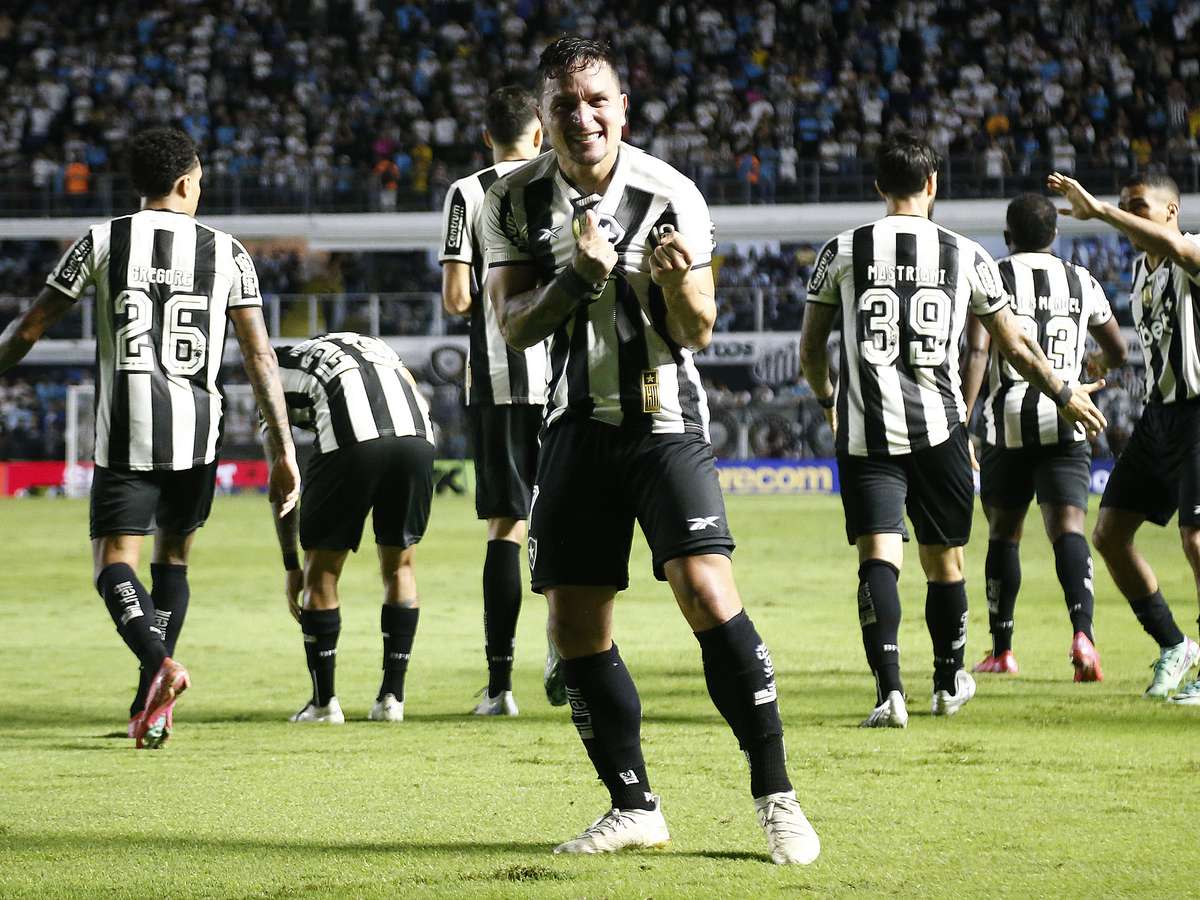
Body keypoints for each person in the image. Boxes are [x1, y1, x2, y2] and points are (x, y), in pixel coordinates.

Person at [484, 35, 819, 866]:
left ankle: (777, 796)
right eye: (566, 103)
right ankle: (633, 806)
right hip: (573, 423)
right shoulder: (513, 200)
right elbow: (512, 325)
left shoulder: (671, 193)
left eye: (597, 100)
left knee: (704, 588)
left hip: (662, 415)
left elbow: (698, 328)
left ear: (622, 109)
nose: (584, 116)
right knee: (573, 624)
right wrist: (578, 276)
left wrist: (673, 283)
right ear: (544, 116)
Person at [0, 127, 299, 748]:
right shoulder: (228, 252)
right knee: (174, 560)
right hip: (199, 433)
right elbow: (259, 356)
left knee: (114, 563)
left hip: (127, 430)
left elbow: (29, 328)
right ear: (186, 183)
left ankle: (160, 666)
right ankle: (150, 708)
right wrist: (283, 444)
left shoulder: (102, 240)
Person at [800, 135, 1106, 730]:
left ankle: (890, 694)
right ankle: (945, 684)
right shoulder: (968, 254)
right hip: (941, 432)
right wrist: (1063, 391)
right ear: (933, 184)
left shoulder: (842, 249)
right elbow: (1015, 345)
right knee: (945, 563)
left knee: (878, 557)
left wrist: (827, 399)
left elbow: (811, 349)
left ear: (879, 187)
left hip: (865, 433)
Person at [961, 193, 1127, 680]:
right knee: (1068, 527)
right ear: (1055, 234)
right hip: (1068, 417)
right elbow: (1117, 349)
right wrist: (1093, 365)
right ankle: (1083, 636)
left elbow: (977, 351)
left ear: (1007, 236)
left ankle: (1003, 651)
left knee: (1003, 532)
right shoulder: (1081, 279)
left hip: (1007, 421)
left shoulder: (991, 276)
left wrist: (963, 418)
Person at [1049, 171, 1200, 702]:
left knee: (1196, 539)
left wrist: (1100, 212)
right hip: (1159, 417)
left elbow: (1178, 249)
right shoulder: (1141, 271)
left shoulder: (1191, 251)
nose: (1129, 214)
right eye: (1123, 206)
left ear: (1171, 211)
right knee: (1110, 535)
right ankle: (1174, 644)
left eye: (1139, 206)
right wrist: (1101, 362)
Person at [439, 86, 558, 716]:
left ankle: (500, 686)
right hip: (568, 380)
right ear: (539, 133)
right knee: (565, 520)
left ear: (487, 136)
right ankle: (566, 649)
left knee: (505, 526)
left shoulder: (467, 192)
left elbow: (457, 298)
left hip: (500, 380)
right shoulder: (563, 181)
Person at [264, 332, 435, 724]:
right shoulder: (370, 345)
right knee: (401, 565)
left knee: (322, 571)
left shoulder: (271, 373)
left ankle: (324, 703)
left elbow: (282, 485)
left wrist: (291, 566)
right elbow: (414, 391)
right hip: (418, 437)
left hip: (352, 441)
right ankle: (392, 699)